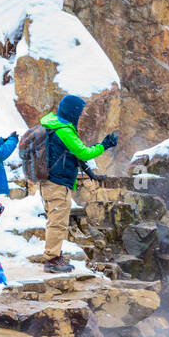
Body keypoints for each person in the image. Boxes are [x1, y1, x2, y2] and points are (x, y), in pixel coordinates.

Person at [37, 94, 117, 273]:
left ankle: (55, 254)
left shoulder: (54, 124)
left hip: (51, 181)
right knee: (58, 222)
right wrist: (104, 145)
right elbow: (83, 153)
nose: (80, 115)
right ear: (71, 111)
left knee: (55, 220)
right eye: (79, 112)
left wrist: (91, 174)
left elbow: (73, 156)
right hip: (57, 182)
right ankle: (52, 259)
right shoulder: (63, 130)